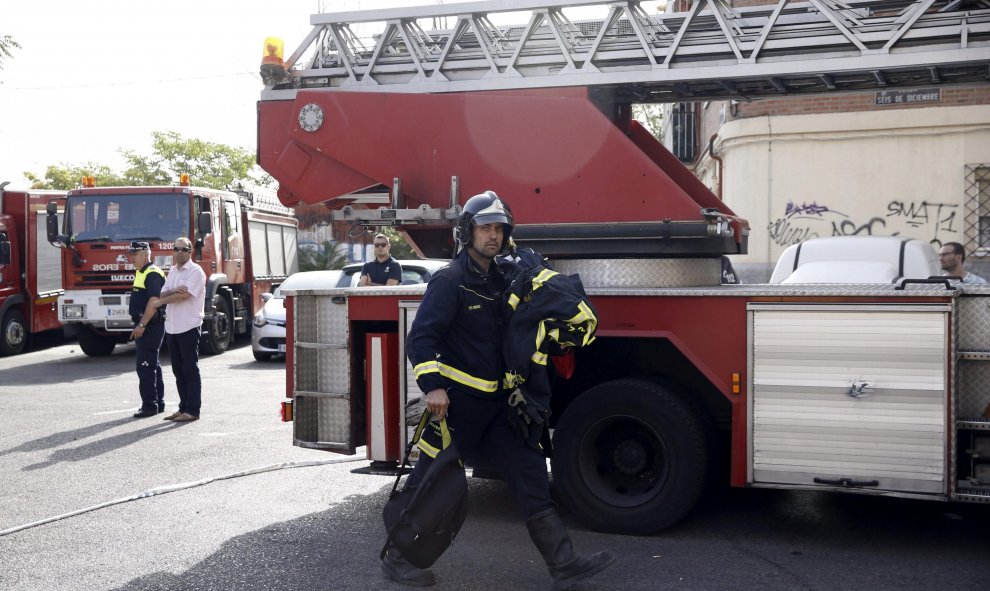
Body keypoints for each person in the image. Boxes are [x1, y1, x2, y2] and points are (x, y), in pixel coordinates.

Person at [386, 191, 613, 589]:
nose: (493, 236)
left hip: (501, 408)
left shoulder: (505, 279)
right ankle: (397, 556)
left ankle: (563, 564)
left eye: (498, 229)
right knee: (433, 483)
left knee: (531, 476)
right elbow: (421, 339)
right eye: (485, 228)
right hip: (458, 408)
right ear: (467, 232)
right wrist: (433, 387)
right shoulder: (450, 281)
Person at [153, 236, 207, 422]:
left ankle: (192, 410)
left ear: (191, 251)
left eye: (184, 249)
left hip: (189, 326)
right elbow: (163, 291)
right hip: (173, 328)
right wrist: (174, 291)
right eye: (176, 249)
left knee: (190, 369)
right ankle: (183, 407)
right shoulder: (174, 271)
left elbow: (184, 296)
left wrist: (161, 301)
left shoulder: (195, 271)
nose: (180, 252)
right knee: (178, 370)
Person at [127, 241, 166, 418]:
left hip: (150, 326)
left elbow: (153, 302)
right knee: (152, 364)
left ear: (144, 254)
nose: (131, 257)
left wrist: (141, 325)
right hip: (148, 325)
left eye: (134, 254)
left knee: (145, 366)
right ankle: (158, 402)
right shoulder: (141, 272)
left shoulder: (152, 273)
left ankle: (150, 405)